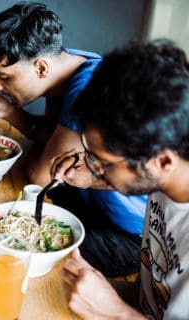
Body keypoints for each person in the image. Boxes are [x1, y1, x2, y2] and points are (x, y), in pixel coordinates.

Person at [0, 1, 146, 277]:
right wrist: (10, 112)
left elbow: (40, 177)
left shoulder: (88, 87)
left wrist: (40, 153)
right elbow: (50, 135)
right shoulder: (69, 63)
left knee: (14, 250)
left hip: (130, 236)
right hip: (87, 202)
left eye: (3, 76)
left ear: (41, 68)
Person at [52, 40, 189, 319]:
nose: (93, 166)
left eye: (102, 162)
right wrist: (92, 177)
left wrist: (116, 313)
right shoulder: (168, 175)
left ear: (162, 161)